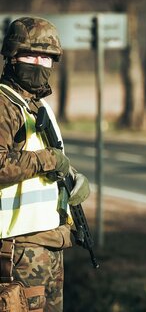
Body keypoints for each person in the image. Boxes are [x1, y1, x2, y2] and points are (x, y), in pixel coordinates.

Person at [0, 16, 90, 311]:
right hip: (18, 249)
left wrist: (72, 176)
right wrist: (50, 160)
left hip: (51, 243)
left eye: (47, 57)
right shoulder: (4, 104)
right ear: (12, 57)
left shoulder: (38, 107)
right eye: (31, 54)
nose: (39, 63)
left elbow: (49, 160)